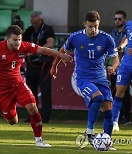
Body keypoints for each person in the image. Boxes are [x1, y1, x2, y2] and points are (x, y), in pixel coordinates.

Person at [50, 11, 119, 150]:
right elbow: (62, 50)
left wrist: (113, 66)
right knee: (98, 98)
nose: (93, 30)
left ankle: (107, 141)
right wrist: (54, 67)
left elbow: (116, 58)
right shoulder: (76, 37)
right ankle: (89, 132)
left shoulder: (107, 38)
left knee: (108, 111)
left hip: (101, 78)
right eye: (90, 26)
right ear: (85, 25)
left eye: (96, 26)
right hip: (82, 78)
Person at [23, 11, 55, 123]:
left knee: (45, 92)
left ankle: (45, 117)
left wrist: (35, 50)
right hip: (31, 65)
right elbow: (23, 45)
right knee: (30, 92)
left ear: (40, 20)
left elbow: (50, 44)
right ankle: (32, 115)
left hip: (44, 65)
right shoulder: (29, 31)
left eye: (35, 20)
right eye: (32, 20)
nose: (33, 23)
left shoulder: (48, 29)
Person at [109, 10, 131, 129]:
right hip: (124, 64)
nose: (117, 21)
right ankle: (115, 121)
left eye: (119, 19)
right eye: (115, 19)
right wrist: (121, 47)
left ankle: (125, 118)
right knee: (119, 91)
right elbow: (126, 38)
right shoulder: (129, 26)